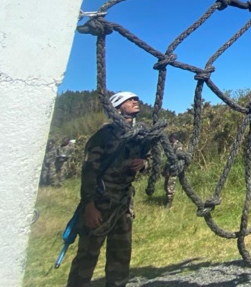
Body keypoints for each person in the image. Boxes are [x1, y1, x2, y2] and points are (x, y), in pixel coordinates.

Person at [66, 91, 148, 287]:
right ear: (118, 107)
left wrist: (144, 163)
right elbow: (89, 172)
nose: (135, 101)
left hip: (124, 202)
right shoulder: (103, 136)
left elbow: (150, 158)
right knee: (87, 255)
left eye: (135, 98)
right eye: (129, 100)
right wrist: (89, 205)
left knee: (120, 255)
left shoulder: (138, 137)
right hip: (101, 201)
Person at [163, 133, 183, 208]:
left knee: (170, 186)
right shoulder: (171, 145)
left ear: (173, 138)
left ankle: (169, 203)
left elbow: (178, 156)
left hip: (174, 169)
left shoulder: (179, 146)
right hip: (168, 168)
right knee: (166, 185)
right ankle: (166, 200)